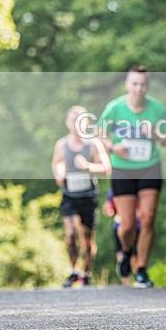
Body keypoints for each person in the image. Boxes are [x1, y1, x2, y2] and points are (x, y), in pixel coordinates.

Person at [98, 65, 166, 288]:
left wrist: (155, 134)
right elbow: (100, 132)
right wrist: (112, 147)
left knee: (148, 218)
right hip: (123, 169)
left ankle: (141, 269)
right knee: (128, 225)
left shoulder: (157, 109)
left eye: (143, 84)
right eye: (134, 84)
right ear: (127, 85)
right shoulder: (115, 108)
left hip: (150, 166)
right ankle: (127, 250)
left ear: (147, 86)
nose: (139, 89)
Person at [52, 105, 111, 287]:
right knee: (70, 235)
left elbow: (106, 168)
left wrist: (89, 167)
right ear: (67, 123)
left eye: (80, 121)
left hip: (88, 196)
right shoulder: (61, 144)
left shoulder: (93, 144)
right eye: (73, 120)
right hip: (69, 195)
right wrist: (59, 173)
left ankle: (86, 273)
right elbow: (57, 163)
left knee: (86, 240)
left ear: (86, 123)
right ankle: (73, 270)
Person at [101, 189, 141, 287]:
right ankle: (126, 282)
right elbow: (107, 208)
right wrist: (109, 210)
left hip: (138, 226)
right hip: (119, 226)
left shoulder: (140, 187)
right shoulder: (113, 191)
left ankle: (137, 277)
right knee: (120, 254)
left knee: (135, 255)